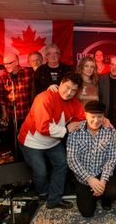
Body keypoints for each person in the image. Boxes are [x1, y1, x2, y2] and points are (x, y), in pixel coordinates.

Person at [17, 73, 86, 210]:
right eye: (67, 88)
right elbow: (43, 127)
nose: (69, 93)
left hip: (53, 141)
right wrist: (67, 129)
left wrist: (104, 120)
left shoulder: (74, 101)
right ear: (60, 83)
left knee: (62, 164)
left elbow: (84, 117)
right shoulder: (44, 98)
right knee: (41, 172)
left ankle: (54, 199)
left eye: (73, 90)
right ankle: (43, 193)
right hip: (32, 141)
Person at [67, 100, 116, 217]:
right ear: (85, 115)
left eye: (99, 116)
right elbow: (72, 160)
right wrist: (89, 179)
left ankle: (104, 197)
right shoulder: (75, 132)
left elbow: (111, 157)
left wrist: (102, 181)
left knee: (114, 192)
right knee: (87, 213)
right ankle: (90, 193)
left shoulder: (110, 131)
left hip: (101, 174)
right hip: (83, 177)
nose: (96, 120)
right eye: (92, 116)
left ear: (104, 116)